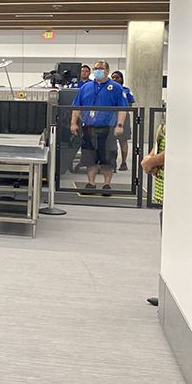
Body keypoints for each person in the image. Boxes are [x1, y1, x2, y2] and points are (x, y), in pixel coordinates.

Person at [70, 60, 128, 194]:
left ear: (107, 71)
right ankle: (91, 183)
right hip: (89, 128)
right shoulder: (85, 87)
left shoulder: (116, 88)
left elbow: (122, 108)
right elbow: (76, 106)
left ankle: (107, 185)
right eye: (95, 68)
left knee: (107, 158)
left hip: (108, 129)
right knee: (90, 158)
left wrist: (119, 125)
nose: (97, 71)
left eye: (100, 68)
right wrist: (73, 123)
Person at [141, 119, 166, 307]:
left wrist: (153, 161)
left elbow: (180, 146)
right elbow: (161, 141)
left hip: (180, 193)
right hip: (167, 193)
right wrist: (149, 160)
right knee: (169, 247)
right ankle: (169, 291)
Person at [110, 70, 136, 171]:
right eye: (113, 77)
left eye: (117, 77)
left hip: (124, 118)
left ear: (122, 79)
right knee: (111, 141)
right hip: (111, 117)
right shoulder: (109, 89)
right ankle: (112, 164)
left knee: (123, 141)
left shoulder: (126, 90)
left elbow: (130, 104)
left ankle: (124, 162)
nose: (115, 79)